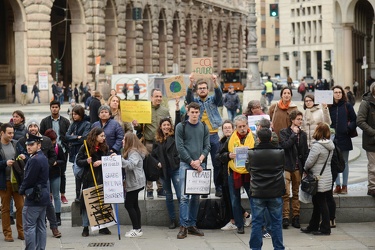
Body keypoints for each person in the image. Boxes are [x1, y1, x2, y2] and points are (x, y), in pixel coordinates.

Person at [16, 119, 62, 238]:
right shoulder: (22, 141)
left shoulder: (45, 140)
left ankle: (54, 227)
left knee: (48, 203)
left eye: (34, 126)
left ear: (38, 128)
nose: (32, 128)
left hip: (43, 176)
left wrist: (46, 165)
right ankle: (40, 225)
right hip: (30, 174)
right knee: (33, 203)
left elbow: (53, 156)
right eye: (30, 126)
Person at [175, 102, 210, 239]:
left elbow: (207, 146)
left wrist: (200, 160)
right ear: (188, 112)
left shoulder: (204, 126)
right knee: (184, 196)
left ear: (199, 113)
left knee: (196, 196)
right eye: (192, 112)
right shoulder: (181, 126)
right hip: (186, 164)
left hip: (200, 164)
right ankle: (183, 226)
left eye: (197, 112)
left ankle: (192, 224)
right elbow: (180, 147)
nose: (195, 115)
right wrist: (191, 162)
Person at [247, 128, 286, 250]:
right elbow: (282, 167)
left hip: (258, 191)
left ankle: (255, 248)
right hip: (275, 191)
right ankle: (278, 247)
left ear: (258, 139)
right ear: (270, 138)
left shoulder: (251, 153)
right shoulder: (280, 152)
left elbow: (248, 168)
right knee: (276, 222)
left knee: (257, 223)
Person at [186, 73, 223, 197]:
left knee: (217, 163)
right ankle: (203, 188)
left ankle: (218, 187)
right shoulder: (195, 102)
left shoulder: (213, 100)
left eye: (204, 88)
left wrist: (215, 81)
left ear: (208, 90)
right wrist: (191, 83)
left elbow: (219, 95)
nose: (202, 90)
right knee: (202, 163)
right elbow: (188, 96)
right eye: (200, 88)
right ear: (197, 90)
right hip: (200, 137)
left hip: (213, 135)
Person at [218, 115, 254, 234]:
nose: (242, 128)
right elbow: (219, 156)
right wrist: (228, 156)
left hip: (250, 173)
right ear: (235, 128)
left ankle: (258, 223)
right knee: (234, 200)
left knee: (253, 199)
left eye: (244, 126)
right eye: (240, 127)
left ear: (247, 125)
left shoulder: (254, 137)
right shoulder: (229, 139)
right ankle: (239, 225)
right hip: (234, 173)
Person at [133, 88, 169, 199]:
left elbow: (169, 125)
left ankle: (160, 189)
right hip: (148, 143)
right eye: (156, 96)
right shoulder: (145, 109)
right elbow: (139, 127)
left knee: (160, 165)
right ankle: (149, 190)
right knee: (148, 166)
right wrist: (136, 124)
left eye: (160, 96)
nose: (158, 98)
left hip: (161, 143)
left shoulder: (165, 110)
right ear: (151, 97)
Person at [75, 127, 111, 237]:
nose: (104, 138)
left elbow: (108, 159)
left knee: (101, 203)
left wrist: (102, 161)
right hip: (89, 178)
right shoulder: (85, 147)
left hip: (101, 178)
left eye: (104, 136)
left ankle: (103, 226)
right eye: (101, 136)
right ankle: (85, 227)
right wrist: (87, 161)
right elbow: (78, 161)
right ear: (95, 136)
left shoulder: (105, 147)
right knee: (87, 203)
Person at [151, 99, 181, 229]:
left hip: (175, 169)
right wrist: (157, 163)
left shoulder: (174, 136)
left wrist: (177, 109)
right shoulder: (157, 140)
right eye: (164, 125)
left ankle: (183, 220)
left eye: (168, 125)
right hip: (164, 172)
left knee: (180, 195)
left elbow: (179, 122)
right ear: (161, 127)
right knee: (168, 196)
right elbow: (153, 156)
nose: (166, 127)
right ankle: (172, 220)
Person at [301, 122, 334, 236]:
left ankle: (325, 228)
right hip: (326, 176)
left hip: (318, 178)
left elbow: (309, 162)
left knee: (321, 202)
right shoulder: (330, 145)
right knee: (318, 202)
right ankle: (313, 225)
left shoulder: (317, 146)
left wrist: (304, 168)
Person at [19, 134, 50, 249]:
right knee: (41, 226)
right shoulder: (41, 157)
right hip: (43, 195)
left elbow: (29, 180)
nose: (28, 147)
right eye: (27, 145)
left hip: (34, 197)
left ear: (39, 145)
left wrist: (21, 190)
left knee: (29, 227)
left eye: (32, 145)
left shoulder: (35, 160)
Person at [279, 110, 309, 229]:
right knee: (285, 193)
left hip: (297, 167)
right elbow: (285, 146)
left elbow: (305, 151)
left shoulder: (303, 134)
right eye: (298, 119)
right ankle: (285, 217)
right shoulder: (284, 132)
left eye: (301, 119)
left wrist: (306, 167)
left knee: (296, 193)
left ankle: (296, 217)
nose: (300, 121)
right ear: (292, 120)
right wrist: (293, 135)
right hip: (286, 166)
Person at [40, 100, 71, 204]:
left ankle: (62, 194)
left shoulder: (65, 121)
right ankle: (51, 195)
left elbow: (68, 135)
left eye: (56, 107)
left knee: (62, 172)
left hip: (62, 150)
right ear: (50, 108)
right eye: (52, 107)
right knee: (49, 172)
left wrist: (67, 147)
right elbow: (41, 136)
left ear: (59, 108)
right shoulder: (45, 121)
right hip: (49, 151)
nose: (54, 109)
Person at [329, 85, 357, 194]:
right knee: (334, 163)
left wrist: (348, 128)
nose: (338, 94)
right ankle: (337, 186)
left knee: (344, 162)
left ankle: (345, 186)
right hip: (332, 139)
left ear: (342, 94)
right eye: (335, 92)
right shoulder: (329, 106)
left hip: (344, 137)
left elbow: (355, 120)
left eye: (339, 92)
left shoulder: (347, 105)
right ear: (332, 94)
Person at [0, 123, 24, 242]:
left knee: (21, 206)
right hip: (4, 181)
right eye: (9, 133)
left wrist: (22, 157)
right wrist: (5, 163)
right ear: (2, 133)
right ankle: (7, 233)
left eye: (13, 133)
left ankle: (21, 231)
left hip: (16, 181)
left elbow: (22, 155)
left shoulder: (15, 143)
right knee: (5, 208)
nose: (11, 135)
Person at [121, 133, 147, 237]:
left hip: (135, 182)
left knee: (129, 204)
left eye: (124, 139)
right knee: (134, 205)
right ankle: (138, 228)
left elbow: (131, 165)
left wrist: (119, 159)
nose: (122, 141)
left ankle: (136, 229)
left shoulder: (134, 152)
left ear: (129, 141)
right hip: (135, 181)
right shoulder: (133, 151)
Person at [65, 105, 91, 201]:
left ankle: (84, 194)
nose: (74, 116)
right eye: (73, 114)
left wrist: (74, 138)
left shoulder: (86, 124)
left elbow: (84, 139)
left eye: (76, 114)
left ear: (81, 114)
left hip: (82, 152)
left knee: (83, 174)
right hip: (73, 152)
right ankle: (77, 195)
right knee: (76, 175)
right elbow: (67, 136)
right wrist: (77, 137)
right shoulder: (73, 124)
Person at [44, 129, 66, 226]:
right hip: (45, 175)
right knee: (46, 197)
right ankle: (45, 216)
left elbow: (63, 160)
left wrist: (57, 162)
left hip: (56, 174)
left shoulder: (58, 147)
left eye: (54, 140)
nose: (53, 142)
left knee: (56, 196)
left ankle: (57, 216)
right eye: (51, 140)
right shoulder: (43, 147)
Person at [357, 82, 375, 197]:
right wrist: (373, 132)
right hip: (371, 140)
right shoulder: (366, 103)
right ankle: (372, 187)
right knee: (373, 166)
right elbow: (360, 121)